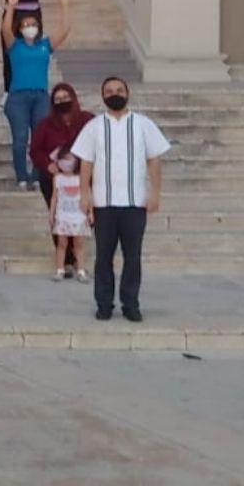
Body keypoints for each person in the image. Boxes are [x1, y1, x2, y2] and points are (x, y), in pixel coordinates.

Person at [71, 77, 170, 322]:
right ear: (102, 95)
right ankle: (104, 304)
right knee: (104, 256)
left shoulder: (143, 124)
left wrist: (155, 192)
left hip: (135, 203)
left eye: (119, 90)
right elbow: (86, 162)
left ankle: (131, 304)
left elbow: (154, 160)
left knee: (132, 256)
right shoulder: (94, 126)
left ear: (128, 93)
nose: (115, 94)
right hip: (103, 203)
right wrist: (85, 194)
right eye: (109, 91)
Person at [2, 0, 71, 189]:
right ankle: (22, 176)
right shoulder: (15, 45)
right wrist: (11, 6)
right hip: (18, 97)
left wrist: (65, 6)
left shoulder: (44, 45)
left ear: (38, 27)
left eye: (32, 24)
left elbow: (64, 30)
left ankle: (37, 175)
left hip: (41, 96)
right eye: (25, 25)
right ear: (20, 28)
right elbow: (5, 30)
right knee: (20, 138)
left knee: (41, 138)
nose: (29, 27)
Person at [30, 82, 95, 276]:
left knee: (83, 217)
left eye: (66, 98)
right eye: (58, 99)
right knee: (60, 217)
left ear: (73, 98)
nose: (62, 102)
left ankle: (78, 256)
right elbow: (35, 150)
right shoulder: (45, 124)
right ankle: (64, 260)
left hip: (84, 178)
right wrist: (48, 165)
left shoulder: (87, 120)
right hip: (55, 180)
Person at [49, 152, 89, 283]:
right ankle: (60, 269)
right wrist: (51, 213)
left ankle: (81, 270)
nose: (66, 162)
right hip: (62, 216)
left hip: (79, 216)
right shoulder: (58, 178)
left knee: (79, 245)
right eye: (63, 159)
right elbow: (54, 197)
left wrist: (91, 212)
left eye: (69, 159)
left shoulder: (81, 178)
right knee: (61, 244)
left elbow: (88, 194)